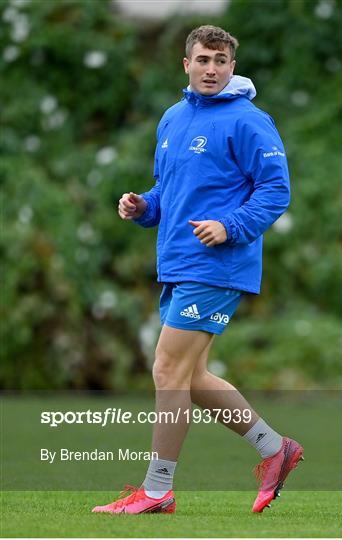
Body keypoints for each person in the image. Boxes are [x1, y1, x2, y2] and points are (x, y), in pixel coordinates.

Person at [93, 25, 303, 516]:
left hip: (217, 265)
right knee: (191, 376)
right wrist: (144, 205)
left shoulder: (249, 121)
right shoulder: (172, 118)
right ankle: (276, 450)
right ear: (185, 64)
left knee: (167, 369)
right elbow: (173, 192)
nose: (212, 69)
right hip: (178, 262)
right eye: (204, 59)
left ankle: (157, 489)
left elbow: (275, 190)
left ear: (232, 67)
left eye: (221, 61)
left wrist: (229, 227)